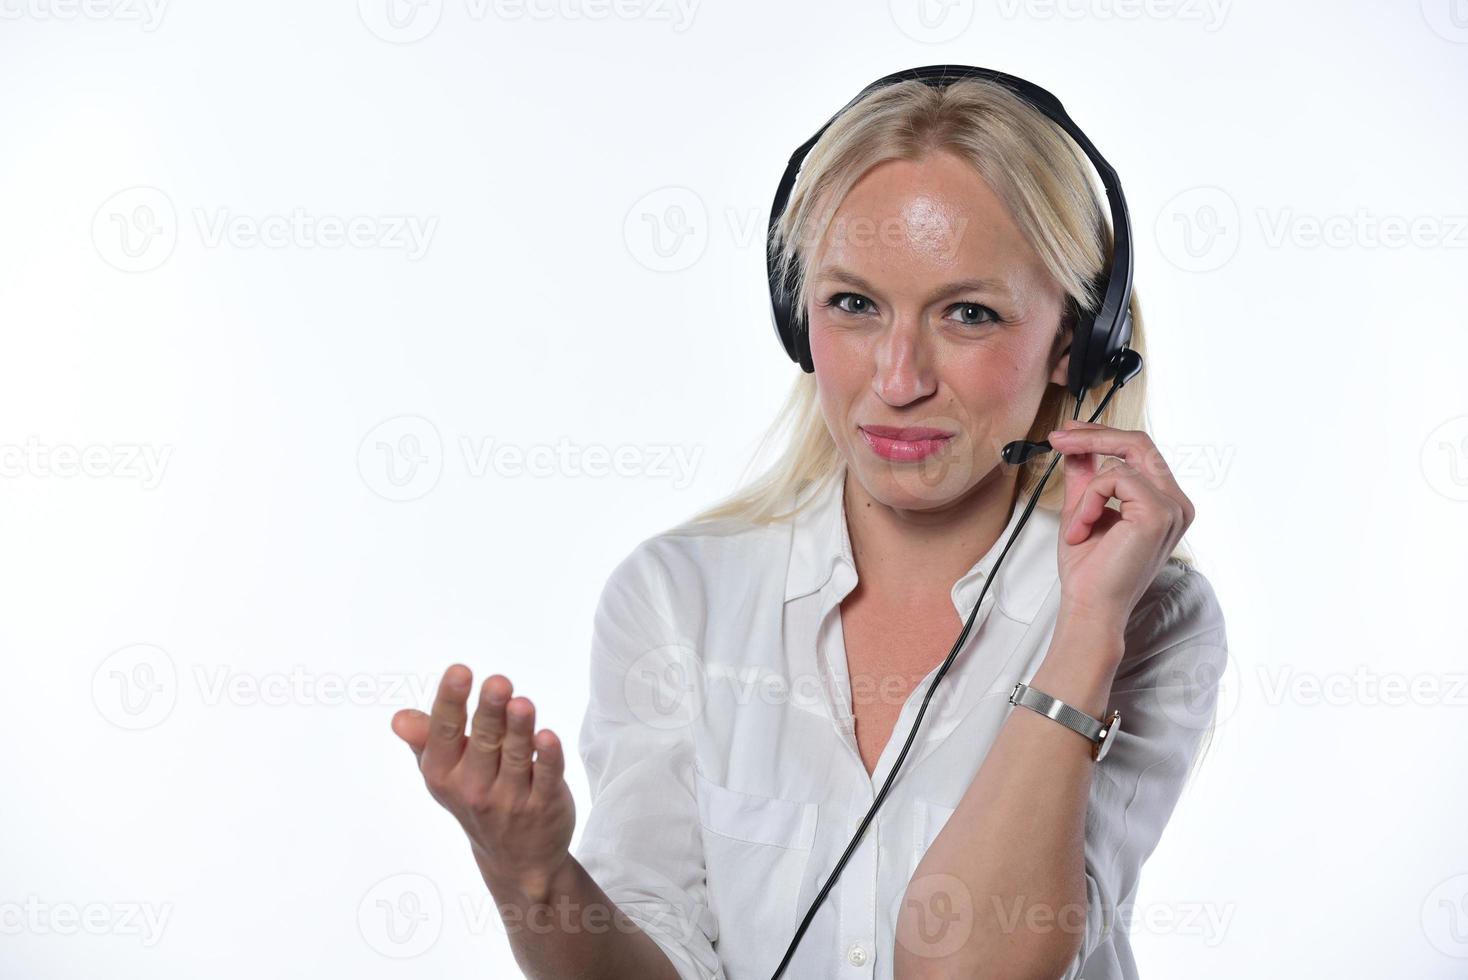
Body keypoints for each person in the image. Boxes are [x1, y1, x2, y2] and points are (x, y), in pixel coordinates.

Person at [390, 75, 1228, 980]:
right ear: (799, 320)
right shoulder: (679, 598)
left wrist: (1087, 631)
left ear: (1079, 339)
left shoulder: (1149, 618)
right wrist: (536, 878)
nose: (898, 378)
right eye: (855, 305)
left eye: (969, 313)